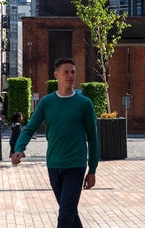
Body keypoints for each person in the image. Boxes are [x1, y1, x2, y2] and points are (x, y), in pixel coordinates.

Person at [11, 57, 98, 228]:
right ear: (56, 75)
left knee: (64, 216)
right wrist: (19, 148)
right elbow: (29, 128)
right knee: (70, 212)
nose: (70, 75)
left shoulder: (84, 104)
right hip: (54, 165)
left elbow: (93, 138)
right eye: (66, 72)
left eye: (73, 72)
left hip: (76, 165)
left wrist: (93, 169)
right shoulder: (47, 102)